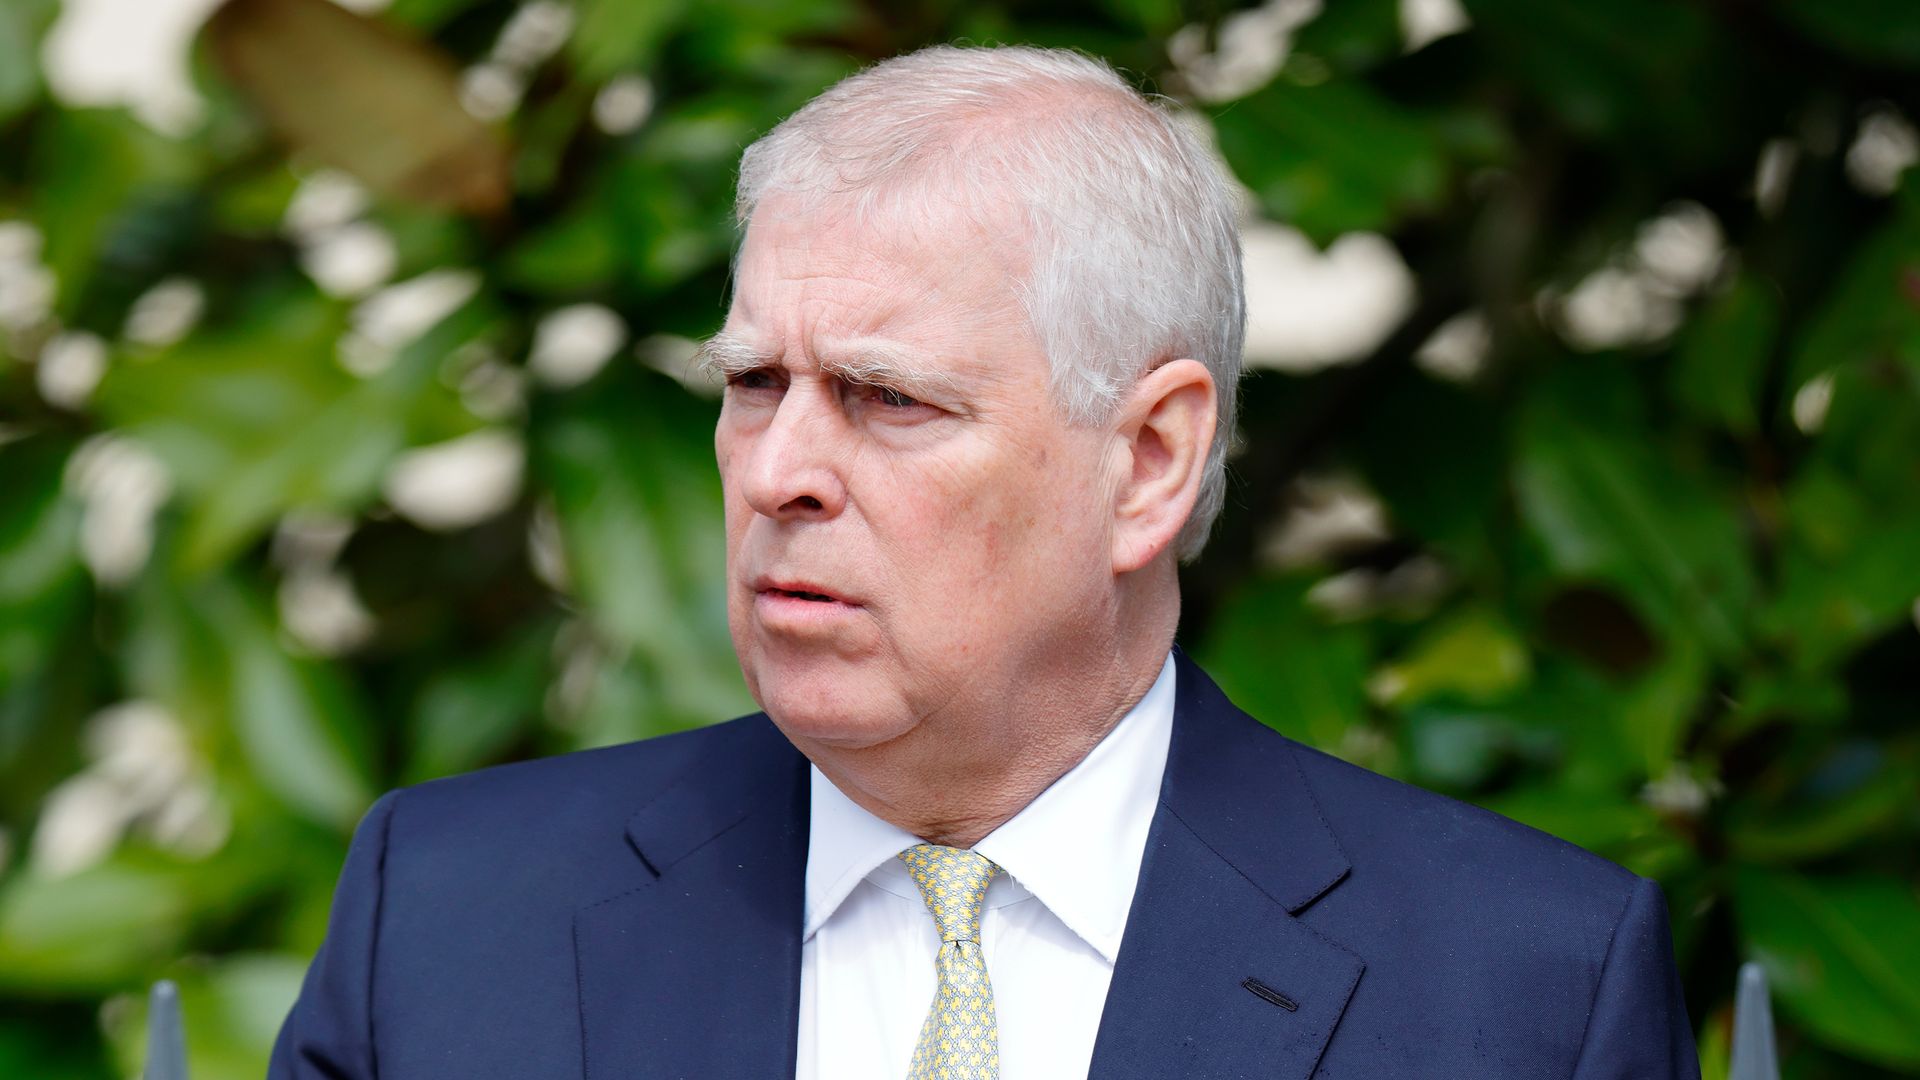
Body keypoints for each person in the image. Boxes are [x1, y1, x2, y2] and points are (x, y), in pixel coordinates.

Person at [270, 45, 1698, 1080]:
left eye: (892, 400)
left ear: (1148, 463)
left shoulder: (1520, 991)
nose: (778, 475)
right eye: (756, 382)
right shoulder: (453, 918)